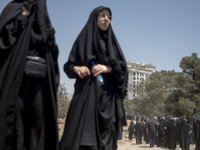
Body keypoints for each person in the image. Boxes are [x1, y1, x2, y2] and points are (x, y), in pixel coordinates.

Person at [59, 6, 128, 150]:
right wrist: (77, 68)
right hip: (86, 94)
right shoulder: (83, 40)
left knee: (106, 140)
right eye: (102, 16)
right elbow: (69, 65)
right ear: (94, 18)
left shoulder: (112, 44)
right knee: (82, 136)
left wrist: (108, 68)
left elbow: (123, 69)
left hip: (107, 98)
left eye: (109, 17)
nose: (106, 19)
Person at [0, 0, 60, 150]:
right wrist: (23, 16)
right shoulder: (14, 8)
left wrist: (51, 40)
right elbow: (4, 39)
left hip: (40, 81)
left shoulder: (44, 19)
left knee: (38, 122)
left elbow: (52, 55)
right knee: (16, 122)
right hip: (18, 79)